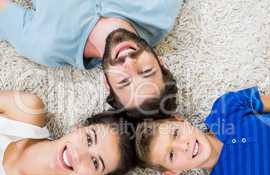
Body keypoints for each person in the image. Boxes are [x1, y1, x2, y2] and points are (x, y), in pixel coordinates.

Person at [0, 0, 181, 113]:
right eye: (146, 70)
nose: (129, 62)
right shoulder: (160, 10)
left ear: (107, 84)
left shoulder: (47, 45)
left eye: (124, 81)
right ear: (161, 63)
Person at [135, 87, 270, 175]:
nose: (183, 146)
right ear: (172, 171)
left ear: (181, 120)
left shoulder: (225, 108)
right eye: (171, 155)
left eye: (176, 133)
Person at [0, 91, 135, 175]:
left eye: (95, 162)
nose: (79, 154)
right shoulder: (26, 109)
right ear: (79, 127)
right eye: (89, 139)